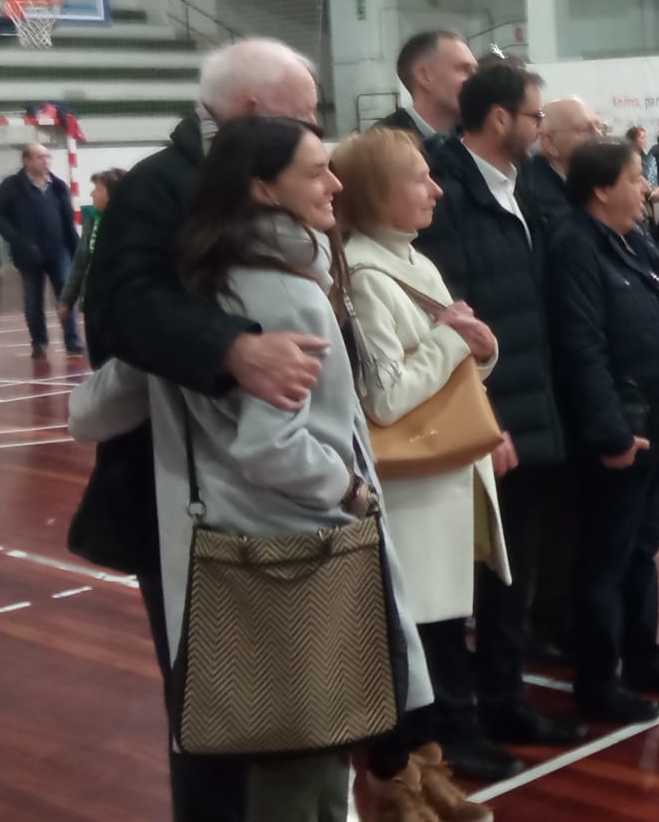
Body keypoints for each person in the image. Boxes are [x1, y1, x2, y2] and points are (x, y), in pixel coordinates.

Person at [78, 115, 435, 822]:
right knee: (304, 769)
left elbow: (89, 412)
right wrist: (350, 489)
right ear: (261, 187)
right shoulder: (289, 292)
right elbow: (270, 446)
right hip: (299, 557)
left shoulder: (190, 291)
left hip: (221, 559)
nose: (335, 183)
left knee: (262, 758)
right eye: (316, 170)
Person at [73, 38, 329, 821]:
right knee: (211, 710)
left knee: (293, 710)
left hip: (273, 500)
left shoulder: (286, 211)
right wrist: (233, 346)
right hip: (186, 494)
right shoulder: (160, 186)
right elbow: (123, 314)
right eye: (306, 116)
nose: (320, 138)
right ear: (254, 116)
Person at [334, 126, 518, 806]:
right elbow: (384, 397)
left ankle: (430, 772)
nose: (436, 188)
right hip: (411, 487)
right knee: (408, 644)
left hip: (447, 477)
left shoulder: (415, 261)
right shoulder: (361, 273)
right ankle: (399, 784)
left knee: (440, 637)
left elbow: (456, 363)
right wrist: (451, 339)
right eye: (419, 177)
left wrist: (480, 346)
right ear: (378, 191)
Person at [416, 59, 586, 752]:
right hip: (487, 427)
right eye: (535, 116)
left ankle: (506, 700)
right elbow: (452, 322)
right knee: (469, 586)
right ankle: (460, 724)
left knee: (511, 581)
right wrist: (487, 420)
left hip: (531, 413)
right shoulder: (449, 194)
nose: (541, 128)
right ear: (499, 121)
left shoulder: (520, 190)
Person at [547, 137, 659, 724]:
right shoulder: (575, 247)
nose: (647, 187)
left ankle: (645, 657)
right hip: (623, 435)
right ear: (600, 189)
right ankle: (598, 681)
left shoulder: (633, 241)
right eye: (636, 177)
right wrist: (611, 431)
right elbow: (582, 347)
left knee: (641, 554)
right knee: (605, 565)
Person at [0, 142, 83, 357]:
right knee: (33, 300)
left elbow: (67, 221)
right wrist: (16, 239)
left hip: (59, 251)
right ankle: (39, 342)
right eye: (40, 157)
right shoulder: (11, 186)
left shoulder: (58, 186)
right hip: (28, 254)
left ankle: (72, 340)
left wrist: (76, 248)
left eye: (47, 157)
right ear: (26, 161)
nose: (45, 161)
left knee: (67, 296)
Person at [380, 30, 478, 138]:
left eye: (476, 70)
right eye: (463, 69)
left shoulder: (480, 139)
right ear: (425, 77)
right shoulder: (380, 148)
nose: (477, 78)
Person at [520, 96, 602, 217]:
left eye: (600, 127)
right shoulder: (532, 197)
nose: (599, 137)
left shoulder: (600, 182)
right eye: (584, 129)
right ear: (549, 141)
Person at [59, 167, 123, 319]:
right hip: (95, 301)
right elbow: (80, 263)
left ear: (113, 196)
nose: (92, 194)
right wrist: (66, 300)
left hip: (123, 303)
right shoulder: (92, 223)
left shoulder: (130, 225)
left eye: (98, 189)